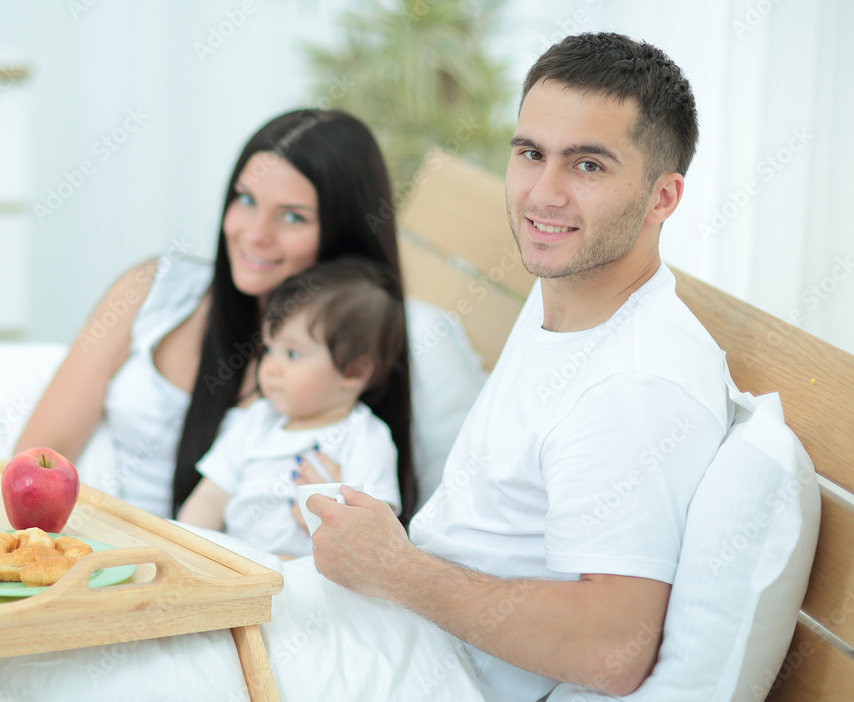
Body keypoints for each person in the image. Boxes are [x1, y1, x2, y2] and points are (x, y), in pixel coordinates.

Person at [305, 32, 736, 701]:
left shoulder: (636, 384)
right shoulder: (568, 290)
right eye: (531, 153)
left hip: (428, 671)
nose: (543, 193)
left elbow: (613, 648)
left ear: (662, 198)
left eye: (588, 166)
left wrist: (396, 568)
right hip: (390, 631)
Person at [14, 109, 417, 525]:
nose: (255, 233)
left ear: (343, 233)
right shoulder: (152, 290)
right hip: (78, 537)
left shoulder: (345, 370)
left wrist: (338, 522)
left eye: (293, 216)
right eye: (246, 200)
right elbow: (43, 451)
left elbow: (366, 542)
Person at [177, 257, 405, 558]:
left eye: (293, 354)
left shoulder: (365, 439)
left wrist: (330, 513)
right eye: (269, 349)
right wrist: (182, 548)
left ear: (354, 371)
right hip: (235, 567)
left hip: (309, 580)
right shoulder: (255, 420)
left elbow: (377, 541)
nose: (271, 367)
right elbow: (210, 498)